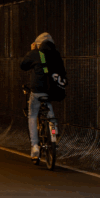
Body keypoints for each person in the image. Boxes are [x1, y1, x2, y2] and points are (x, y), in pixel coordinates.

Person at [21, 32, 67, 160]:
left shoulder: (35, 53)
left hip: (37, 90)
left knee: (32, 115)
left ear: (38, 44)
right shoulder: (56, 54)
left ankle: (35, 145)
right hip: (51, 90)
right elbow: (62, 72)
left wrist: (32, 51)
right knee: (49, 108)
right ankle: (53, 131)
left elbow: (23, 65)